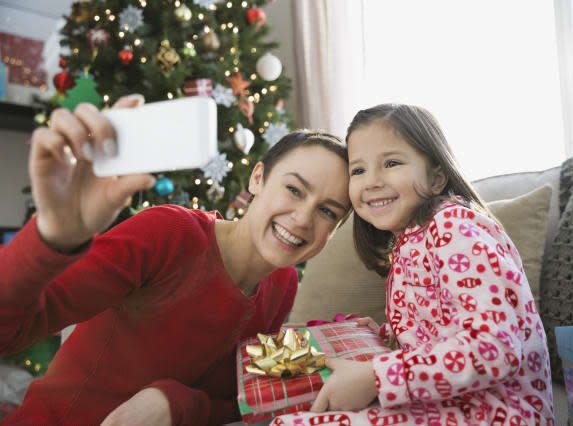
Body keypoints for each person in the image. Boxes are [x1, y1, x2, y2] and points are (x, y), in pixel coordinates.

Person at [0, 95, 352, 426]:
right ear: (258, 178)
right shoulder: (171, 234)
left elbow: (242, 396)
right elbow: (13, 330)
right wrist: (52, 236)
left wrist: (173, 403)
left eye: (326, 211)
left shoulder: (282, 282)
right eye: (294, 189)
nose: (304, 219)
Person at [272, 104, 554, 425]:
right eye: (358, 170)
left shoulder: (454, 228)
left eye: (391, 163)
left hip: (493, 413)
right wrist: (386, 336)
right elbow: (441, 332)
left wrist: (376, 378)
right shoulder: (412, 239)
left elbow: (496, 347)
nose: (372, 181)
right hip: (452, 404)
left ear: (436, 178)